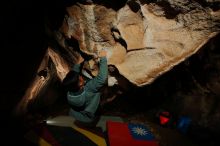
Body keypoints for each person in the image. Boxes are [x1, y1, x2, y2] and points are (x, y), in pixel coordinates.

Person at [62, 49, 108, 125]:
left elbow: (72, 78)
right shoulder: (88, 89)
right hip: (89, 120)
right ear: (80, 84)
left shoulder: (70, 90)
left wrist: (78, 63)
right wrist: (103, 58)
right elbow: (102, 78)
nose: (80, 76)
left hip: (75, 116)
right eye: (80, 77)